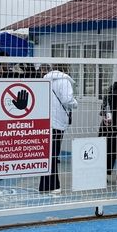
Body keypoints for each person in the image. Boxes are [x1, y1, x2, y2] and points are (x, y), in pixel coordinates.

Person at [40, 63, 78, 195]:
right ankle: (53, 186)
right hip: (58, 122)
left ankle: (44, 185)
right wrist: (75, 103)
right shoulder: (64, 80)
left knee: (48, 154)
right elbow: (67, 100)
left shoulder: (45, 79)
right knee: (54, 154)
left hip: (45, 120)